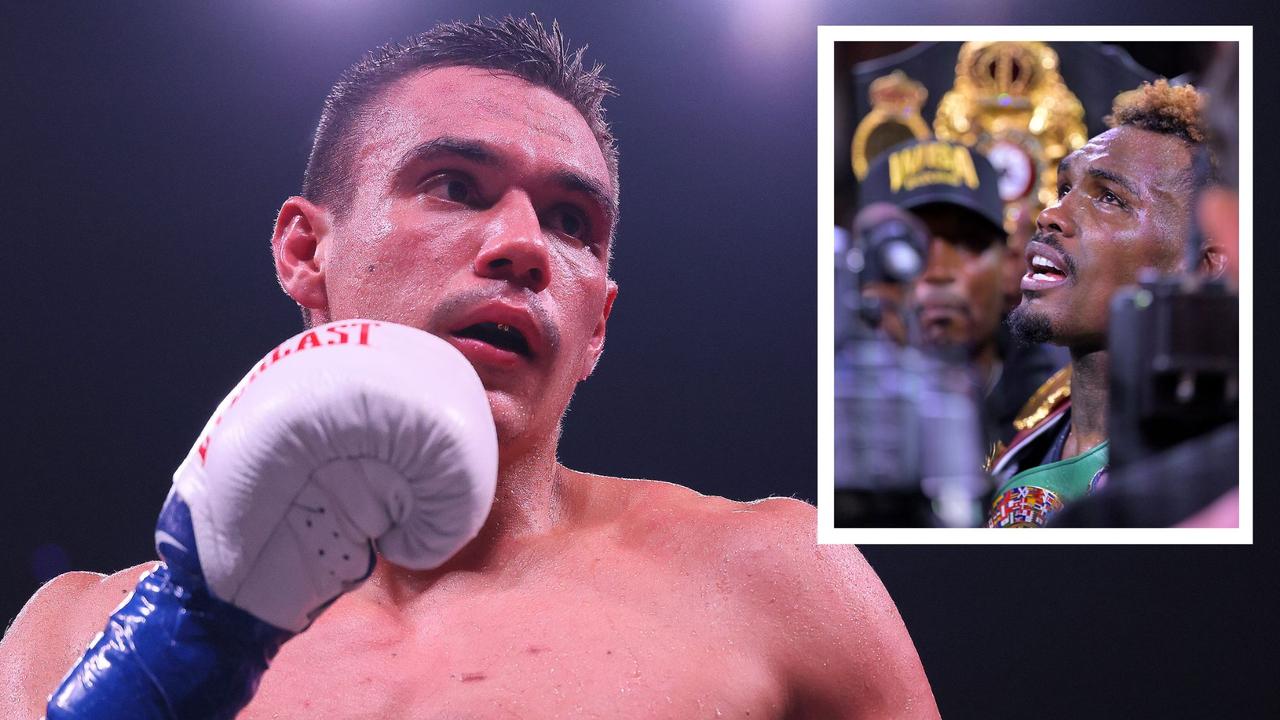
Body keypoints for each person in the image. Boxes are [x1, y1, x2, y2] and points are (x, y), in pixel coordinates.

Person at [0, 16, 938, 719]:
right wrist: (164, 667)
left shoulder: (772, 579)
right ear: (303, 250)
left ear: (597, 323)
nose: (525, 246)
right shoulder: (78, 633)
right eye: (454, 186)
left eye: (574, 221)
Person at [986, 78, 1229, 528]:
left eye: (1110, 198)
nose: (1051, 215)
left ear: (1204, 265)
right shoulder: (1015, 430)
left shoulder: (1223, 478)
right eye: (1064, 189)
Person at [856, 139, 1067, 451]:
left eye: (967, 243)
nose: (939, 271)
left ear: (1010, 265)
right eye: (908, 247)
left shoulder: (1063, 412)